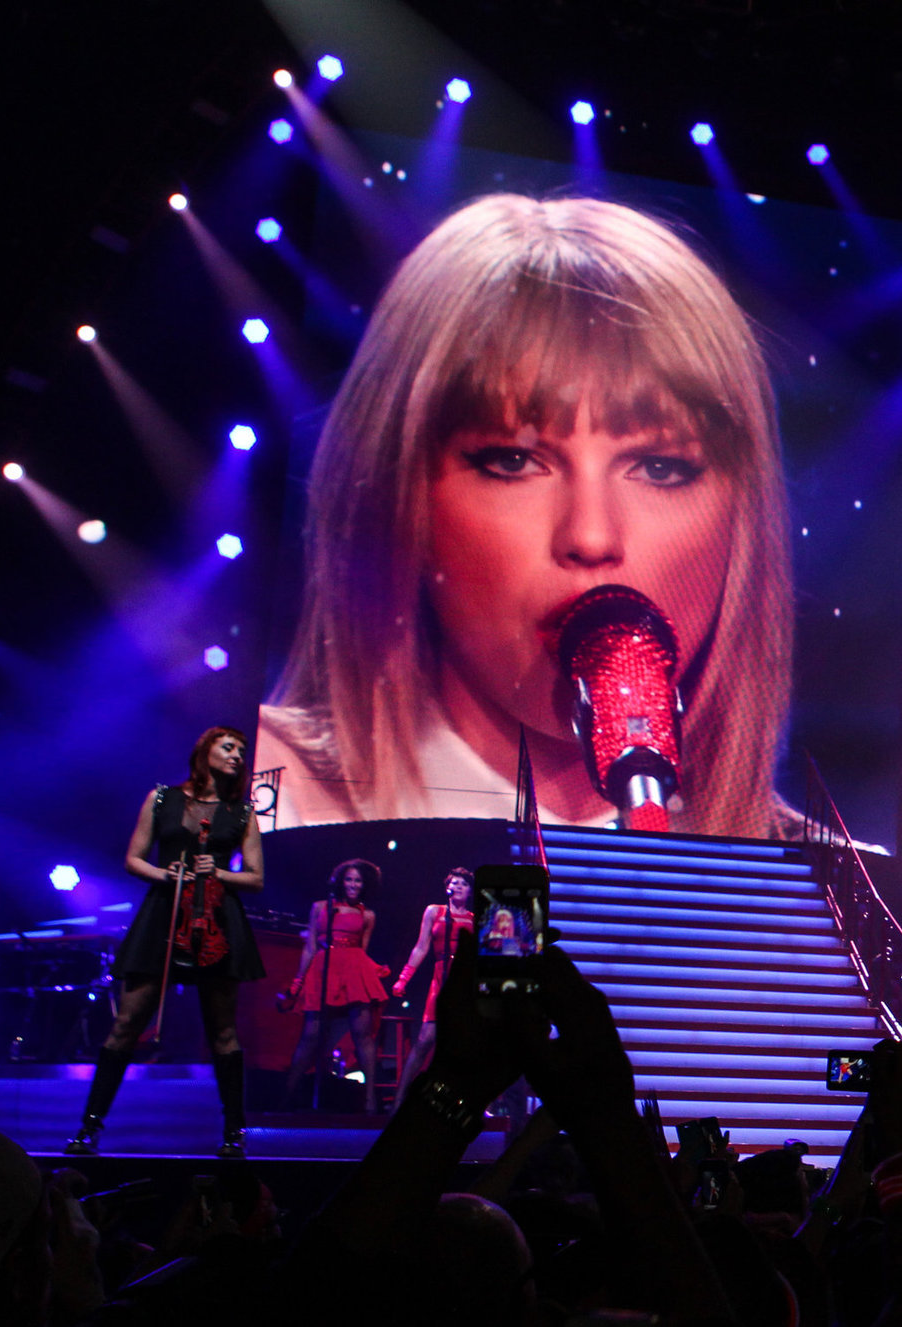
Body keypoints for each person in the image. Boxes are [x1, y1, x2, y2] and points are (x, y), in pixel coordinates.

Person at [255, 194, 798, 838]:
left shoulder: (839, 897)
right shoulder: (254, 798)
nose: (591, 536)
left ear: (743, 522)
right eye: (513, 461)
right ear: (402, 497)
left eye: (659, 468)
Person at [66, 727, 266, 1159]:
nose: (237, 755)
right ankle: (88, 1128)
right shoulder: (162, 798)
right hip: (164, 914)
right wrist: (166, 874)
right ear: (205, 750)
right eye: (228, 747)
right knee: (126, 1024)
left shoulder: (242, 811)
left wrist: (220, 874)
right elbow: (133, 858)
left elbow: (255, 876)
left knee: (223, 1031)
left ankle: (234, 1132)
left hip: (215, 918)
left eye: (241, 751)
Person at [279, 859, 390, 1113]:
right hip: (323, 969)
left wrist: (369, 972)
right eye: (349, 879)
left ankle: (370, 1098)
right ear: (340, 881)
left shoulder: (367, 915)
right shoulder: (320, 907)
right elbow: (309, 947)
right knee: (310, 1035)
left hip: (352, 971)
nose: (353, 884)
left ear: (365, 885)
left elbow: (362, 950)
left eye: (358, 881)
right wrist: (298, 981)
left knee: (362, 1035)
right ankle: (287, 1095)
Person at [388, 867, 474, 1111]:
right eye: (454, 882)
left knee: (459, 1044)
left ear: (469, 891)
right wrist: (403, 978)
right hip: (440, 977)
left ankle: (456, 1102)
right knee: (425, 1039)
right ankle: (399, 1099)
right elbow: (421, 947)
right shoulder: (434, 911)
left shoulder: (474, 918)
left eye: (464, 883)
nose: (458, 886)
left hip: (463, 980)